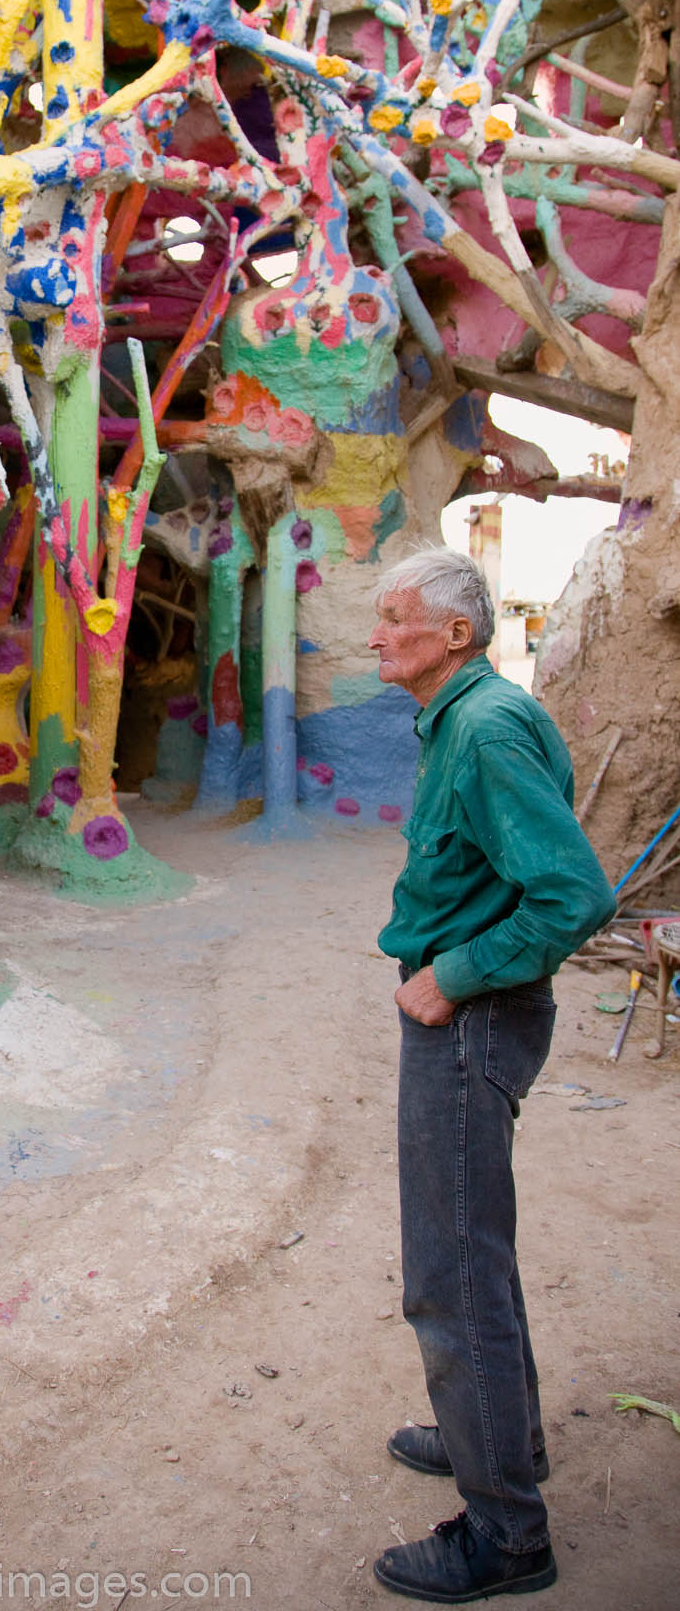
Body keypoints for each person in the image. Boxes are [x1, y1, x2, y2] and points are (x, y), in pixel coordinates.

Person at [366, 546, 615, 1603]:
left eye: (392, 619)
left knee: (451, 1270)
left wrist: (452, 974)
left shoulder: (482, 726)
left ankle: (507, 1530)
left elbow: (572, 894)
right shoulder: (465, 715)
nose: (374, 636)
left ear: (454, 633)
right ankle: (500, 1438)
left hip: (471, 1019)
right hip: (472, 1011)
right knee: (475, 1249)